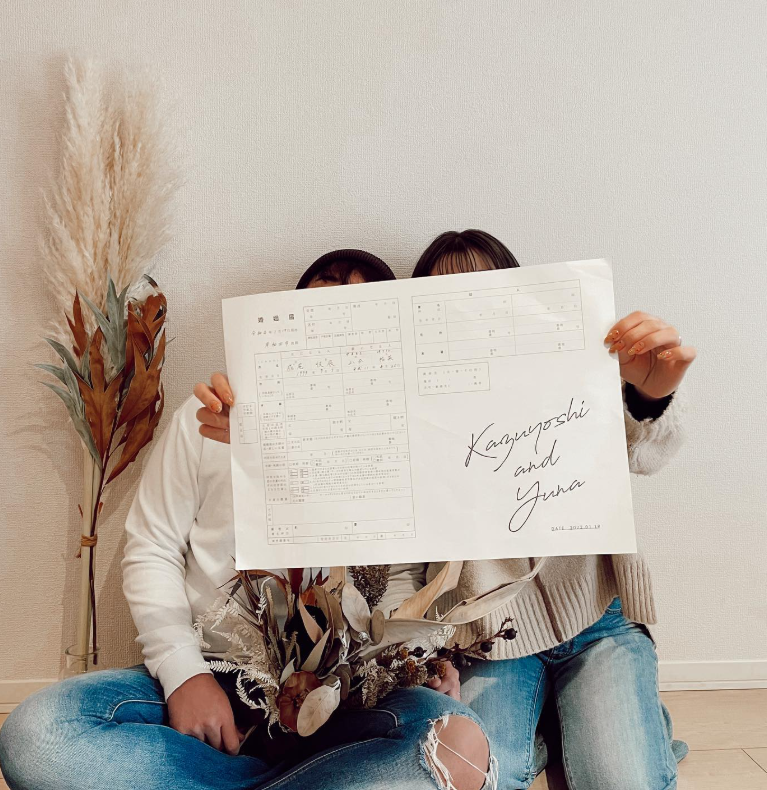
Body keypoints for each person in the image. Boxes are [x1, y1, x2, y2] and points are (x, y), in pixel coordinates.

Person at [194, 232, 697, 789]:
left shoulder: (561, 369)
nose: (465, 311)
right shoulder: (401, 412)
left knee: (620, 780)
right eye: (444, 299)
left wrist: (648, 396)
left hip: (597, 616)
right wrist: (264, 437)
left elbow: (645, 451)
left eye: (482, 291)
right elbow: (362, 521)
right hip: (493, 641)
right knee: (480, 773)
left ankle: (600, 723)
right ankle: (561, 729)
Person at [0, 249, 496, 790]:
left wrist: (417, 660)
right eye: (323, 298)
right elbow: (152, 547)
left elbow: (404, 581)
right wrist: (183, 674)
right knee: (39, 735)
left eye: (359, 305)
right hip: (218, 680)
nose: (337, 312)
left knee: (460, 745)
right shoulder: (208, 418)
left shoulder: (402, 443)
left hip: (344, 700)